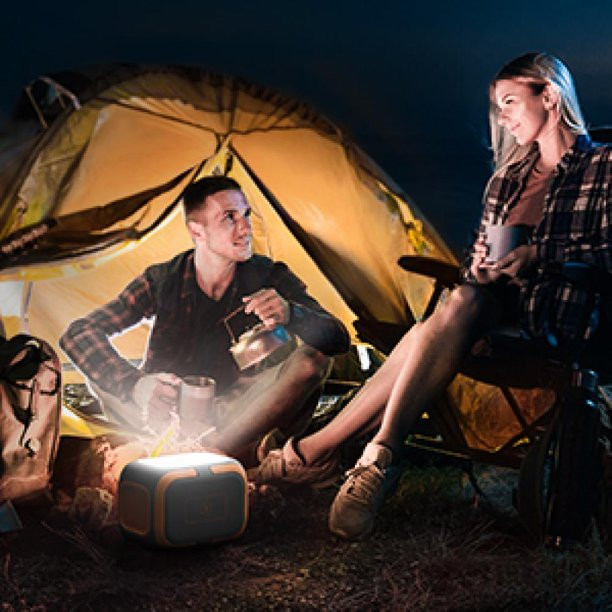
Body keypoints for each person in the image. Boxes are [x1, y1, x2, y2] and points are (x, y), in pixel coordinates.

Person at [249, 52, 612, 539]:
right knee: (460, 301)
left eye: (509, 101)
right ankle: (370, 458)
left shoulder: (602, 166)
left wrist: (538, 255)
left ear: (548, 95)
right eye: (497, 106)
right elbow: (476, 262)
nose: (502, 116)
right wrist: (477, 265)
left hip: (559, 321)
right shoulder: (507, 180)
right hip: (488, 314)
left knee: (433, 327)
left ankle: (318, 454)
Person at [60, 176, 350, 465]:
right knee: (99, 370)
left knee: (313, 361)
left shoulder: (268, 275)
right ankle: (217, 451)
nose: (246, 228)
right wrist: (136, 385)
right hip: (164, 412)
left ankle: (211, 452)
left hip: (237, 414)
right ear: (197, 231)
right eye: (229, 218)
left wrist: (291, 313)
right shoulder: (162, 280)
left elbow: (338, 338)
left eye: (246, 215)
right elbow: (77, 334)